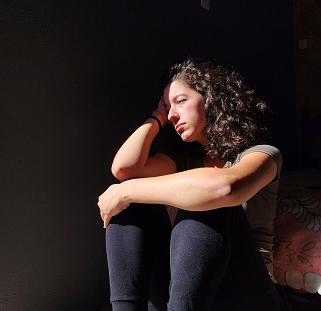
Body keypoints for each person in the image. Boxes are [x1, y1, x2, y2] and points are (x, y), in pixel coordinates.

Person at [97, 58, 286, 311]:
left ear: (209, 99)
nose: (172, 114)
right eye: (167, 107)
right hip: (187, 294)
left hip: (246, 294)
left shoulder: (262, 154)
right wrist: (157, 117)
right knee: (131, 206)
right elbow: (124, 169)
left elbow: (225, 188)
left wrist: (125, 191)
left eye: (180, 101)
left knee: (207, 202)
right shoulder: (181, 159)